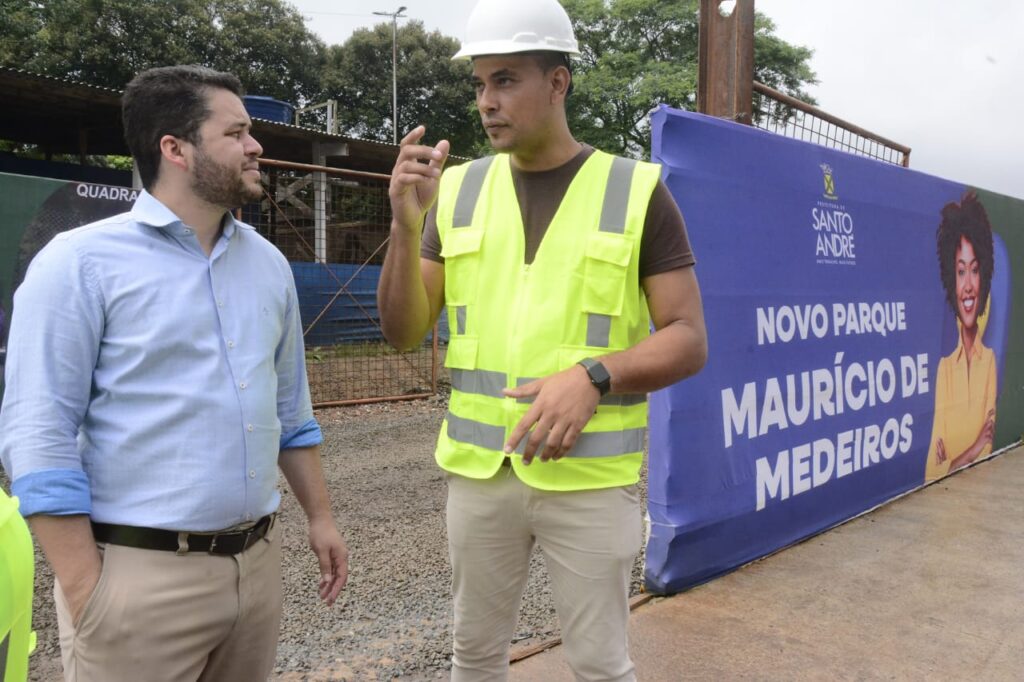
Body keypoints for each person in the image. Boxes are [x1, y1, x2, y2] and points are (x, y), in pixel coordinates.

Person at [377, 0, 708, 678]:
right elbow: (403, 331)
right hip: (480, 475)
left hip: (587, 478)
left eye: (504, 81)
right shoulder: (458, 193)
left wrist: (594, 376)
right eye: (479, 85)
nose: (486, 102)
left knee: (598, 663)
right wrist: (406, 230)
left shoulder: (635, 192)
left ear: (557, 83)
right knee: (473, 656)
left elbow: (688, 338)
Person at [0, 65, 348, 682]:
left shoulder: (268, 265)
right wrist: (88, 589)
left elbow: (291, 413)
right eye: (236, 133)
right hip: (137, 580)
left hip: (256, 568)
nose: (256, 146)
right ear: (175, 149)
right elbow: (37, 434)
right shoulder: (79, 265)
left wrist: (320, 518)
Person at [925, 191, 997, 481]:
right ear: (950, 279)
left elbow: (988, 449)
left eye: (975, 270)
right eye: (960, 271)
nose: (968, 285)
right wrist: (973, 447)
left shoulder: (989, 362)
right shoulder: (944, 370)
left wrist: (952, 460)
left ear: (985, 276)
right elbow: (932, 473)